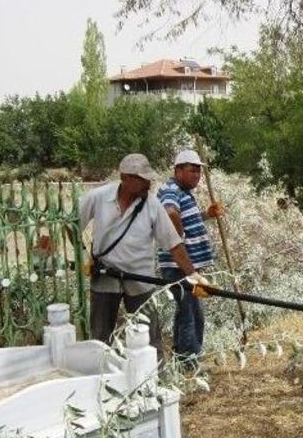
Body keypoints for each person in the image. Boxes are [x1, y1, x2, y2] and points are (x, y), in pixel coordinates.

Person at [79, 153, 199, 355]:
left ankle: (154, 379)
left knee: (149, 338)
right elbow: (70, 224)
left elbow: (174, 245)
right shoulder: (98, 197)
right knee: (100, 337)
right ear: (125, 178)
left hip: (141, 280)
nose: (149, 185)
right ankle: (102, 380)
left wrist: (193, 277)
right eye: (143, 180)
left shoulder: (152, 204)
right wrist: (84, 255)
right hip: (105, 278)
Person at [156, 149, 224, 366]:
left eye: (199, 172)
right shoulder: (170, 189)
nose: (197, 176)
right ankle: (189, 362)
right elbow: (170, 213)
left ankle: (181, 357)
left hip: (189, 266)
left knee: (187, 311)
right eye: (192, 170)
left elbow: (183, 216)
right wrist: (180, 239)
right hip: (180, 266)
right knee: (192, 314)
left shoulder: (183, 191)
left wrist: (207, 214)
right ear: (178, 170)